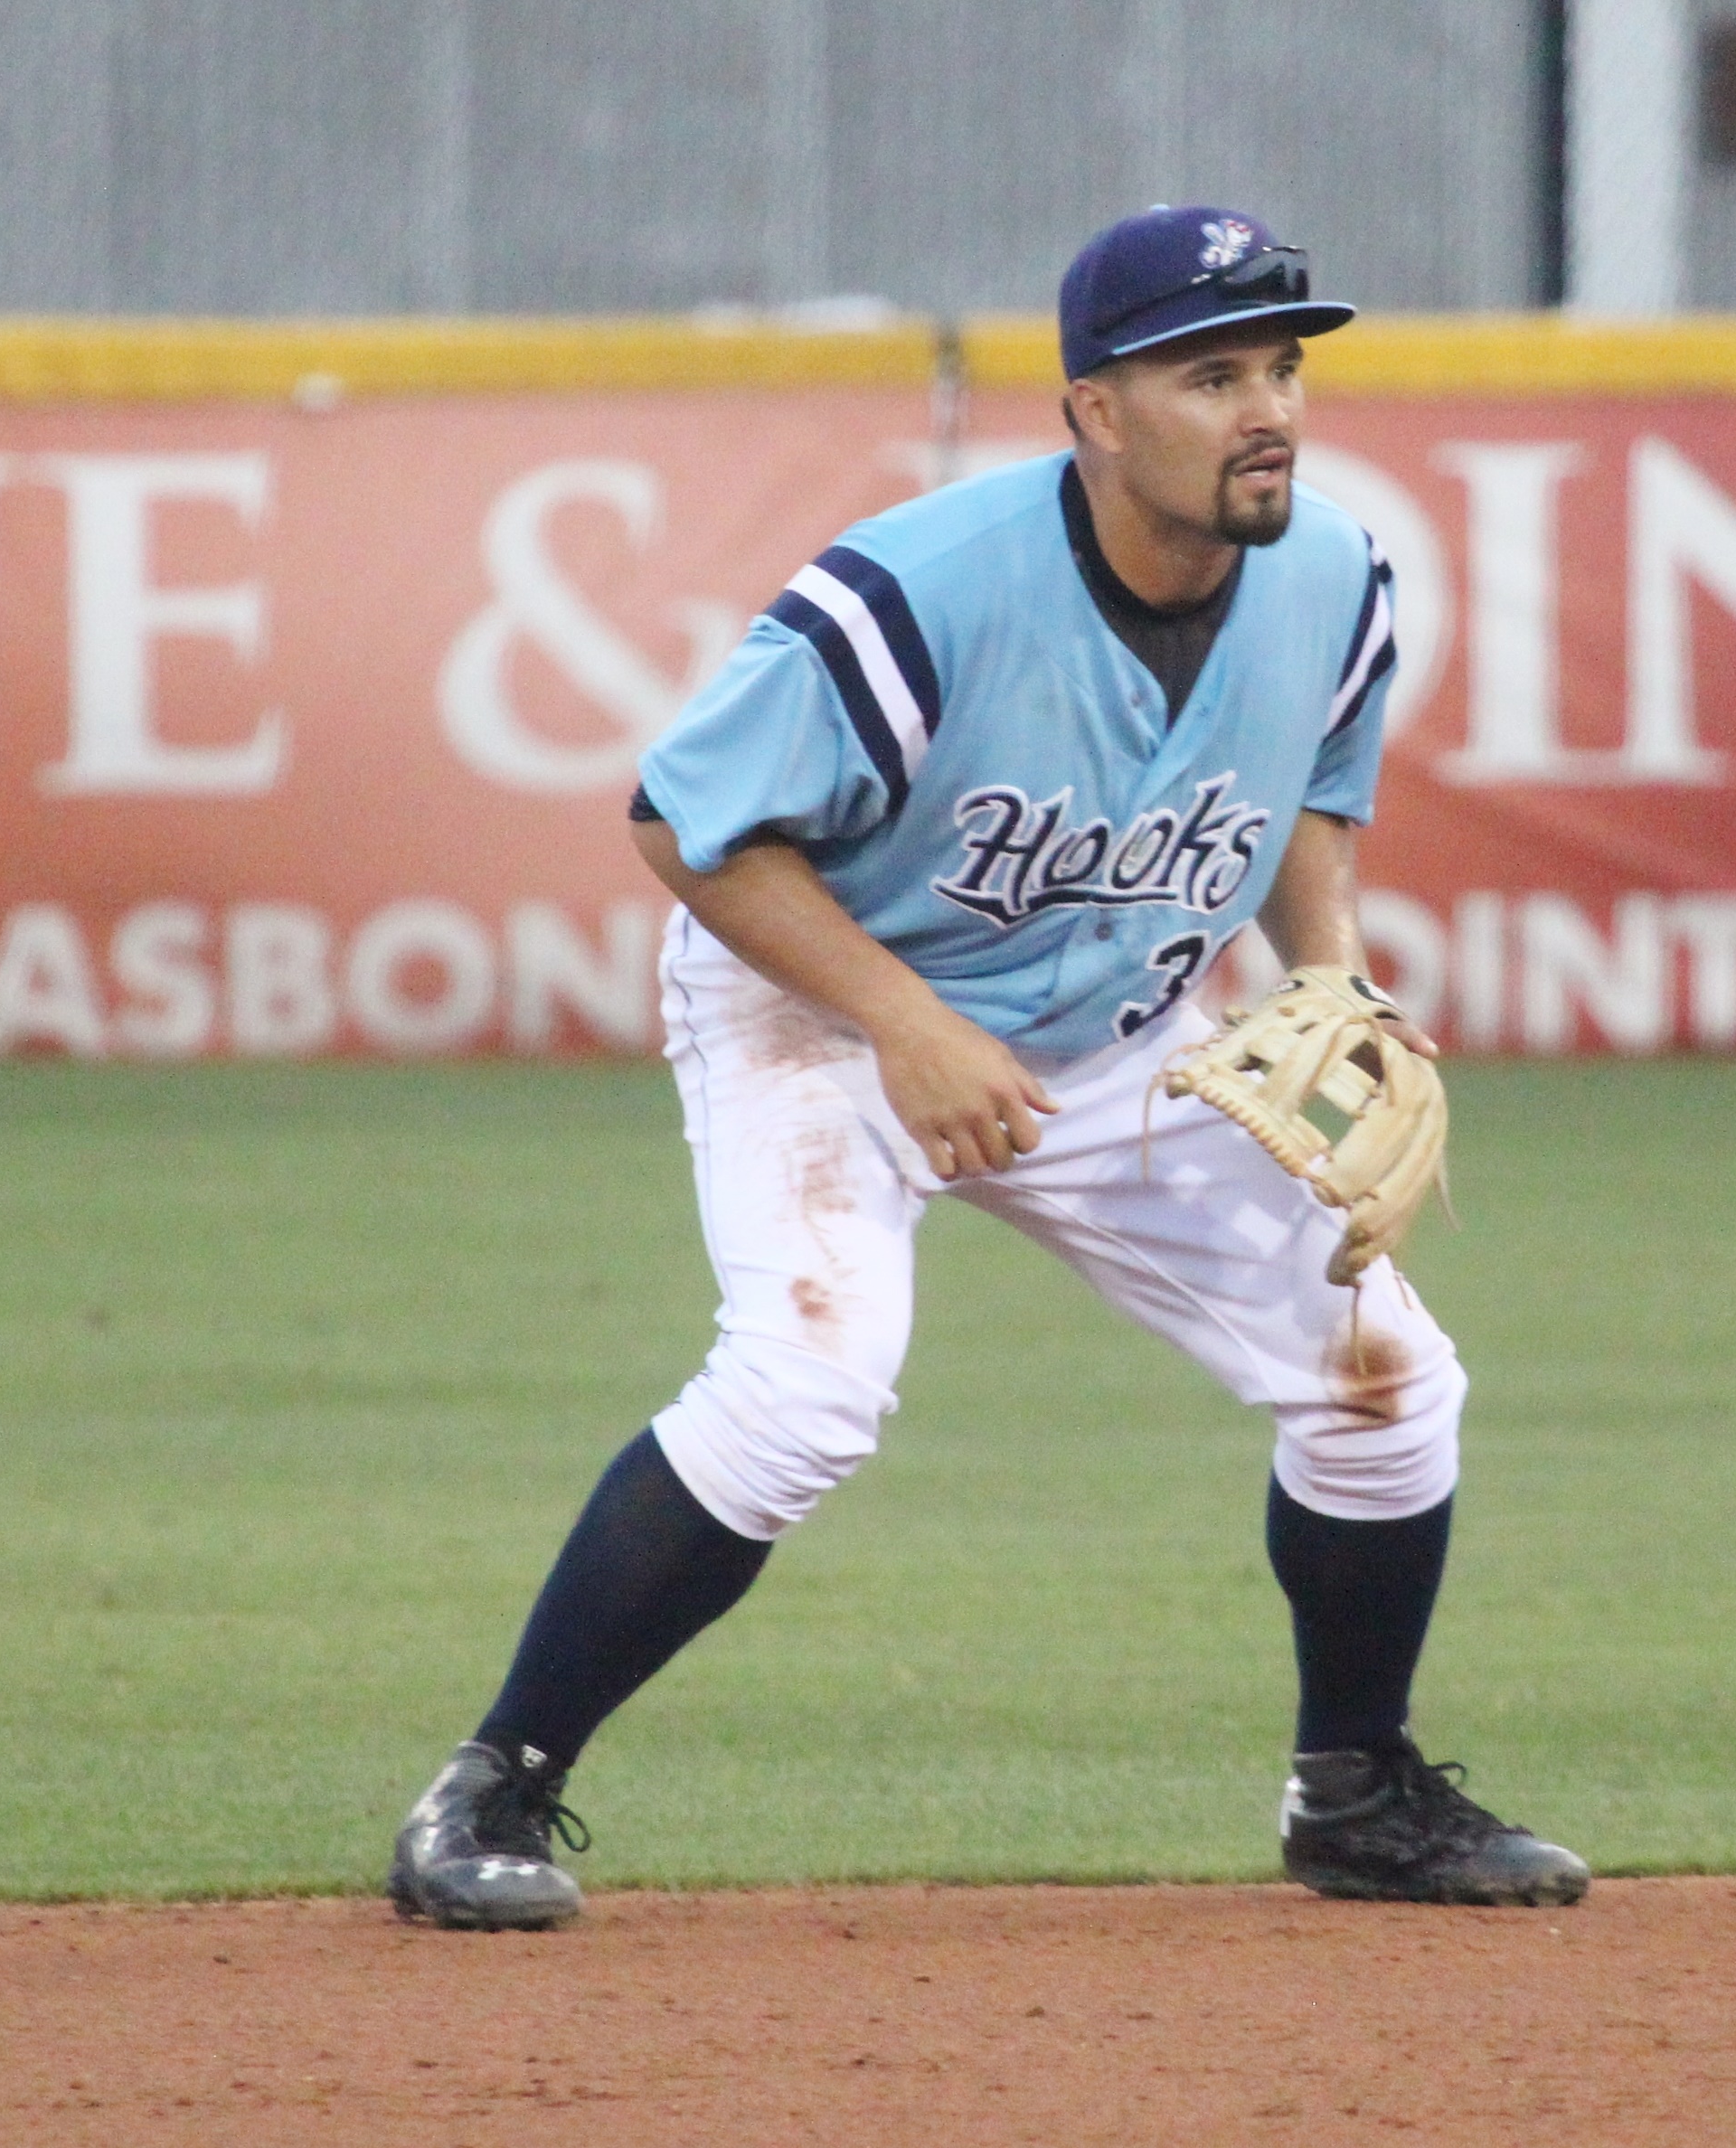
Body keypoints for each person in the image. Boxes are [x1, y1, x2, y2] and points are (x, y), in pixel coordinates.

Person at [386, 205, 1587, 1931]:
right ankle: (492, 1787)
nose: (1265, 410)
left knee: (1385, 1384)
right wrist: (904, 1025)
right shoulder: (917, 592)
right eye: (1207, 374)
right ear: (1096, 410)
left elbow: (1317, 784)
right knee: (805, 1389)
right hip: (818, 1004)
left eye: (1280, 368)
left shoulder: (1332, 574)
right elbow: (686, 826)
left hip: (1113, 1035)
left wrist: (1329, 977)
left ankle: (1357, 1793)